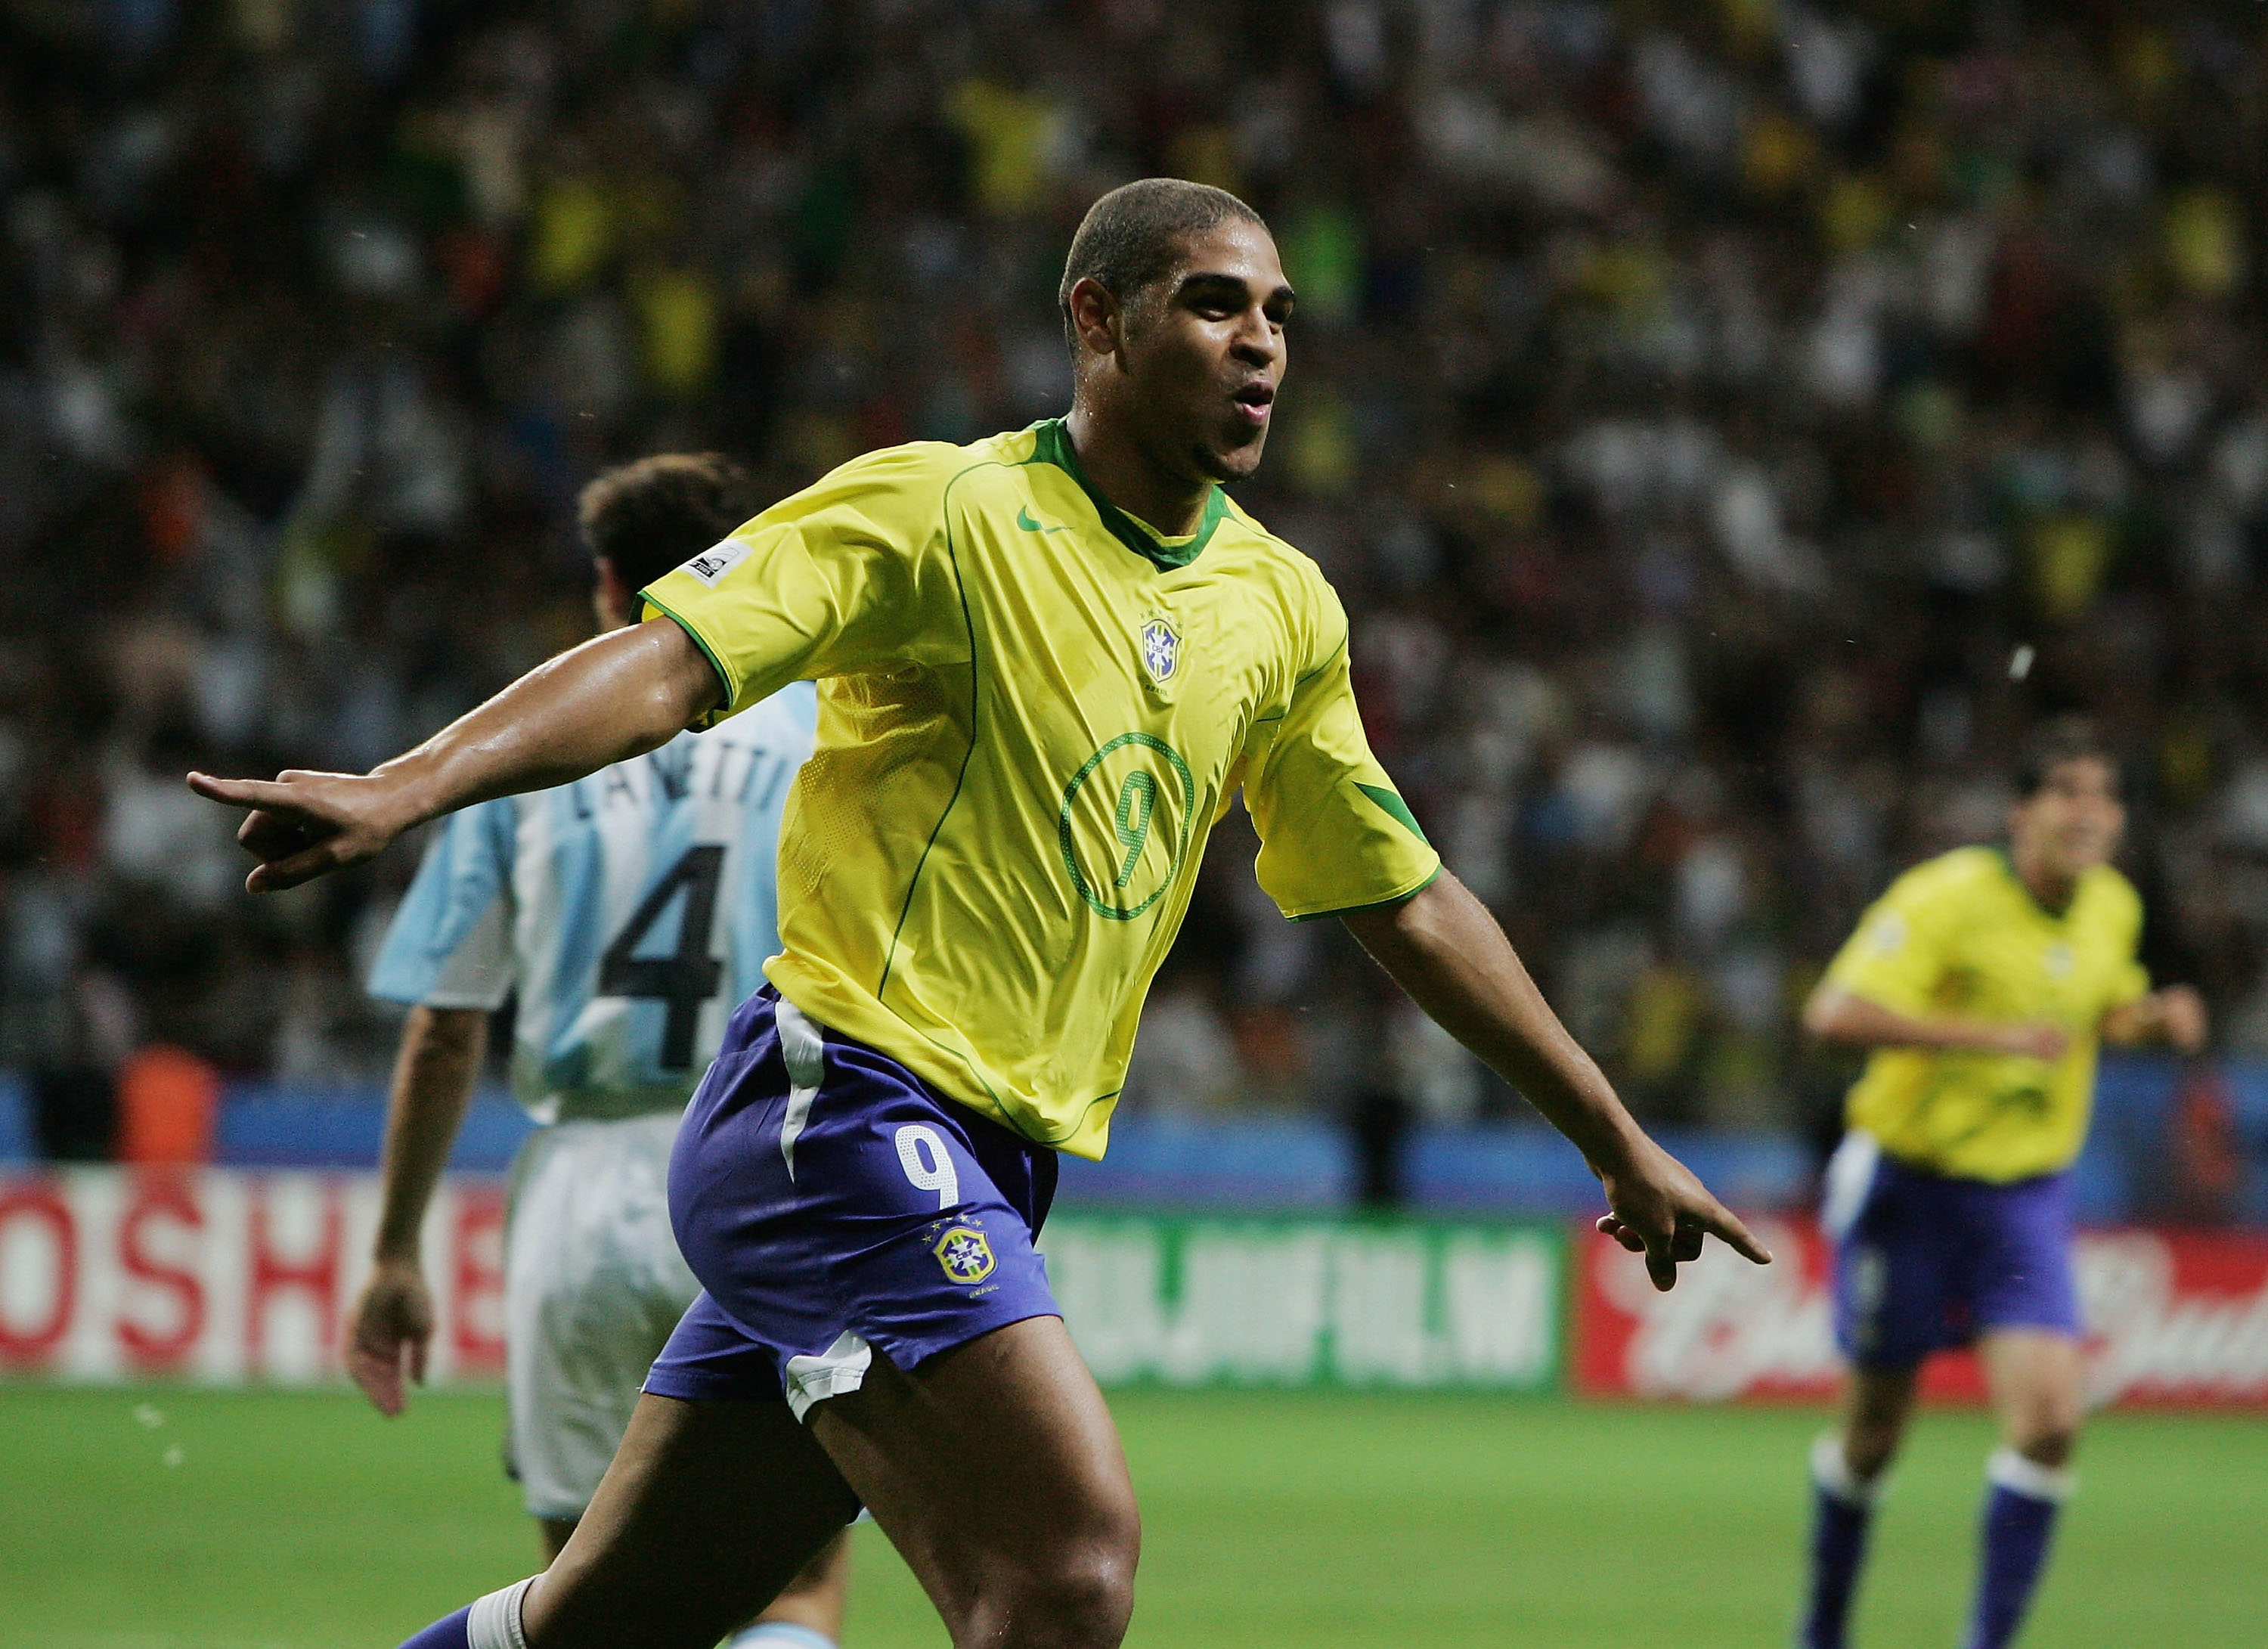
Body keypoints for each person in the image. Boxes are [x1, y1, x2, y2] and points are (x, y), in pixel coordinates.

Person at [191, 178, 1768, 1649]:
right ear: (1098, 319)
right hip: (845, 1105)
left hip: (989, 1155)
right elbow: (674, 663)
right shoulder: (943, 513)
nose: (1262, 346)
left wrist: (1609, 1132)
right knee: (1067, 1566)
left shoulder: (1281, 609)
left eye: (1279, 314)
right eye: (1216, 305)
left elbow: (1402, 897)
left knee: (604, 1618)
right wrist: (408, 784)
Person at [343, 453, 849, 1649]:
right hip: (762, 1162)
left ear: (611, 585)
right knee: (795, 1579)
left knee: (580, 1599)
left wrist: (397, 1246)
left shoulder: (528, 751)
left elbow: (446, 1022)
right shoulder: (821, 732)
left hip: (576, 1198)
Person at [1794, 716, 2208, 1649]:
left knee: (2053, 1423)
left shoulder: (2113, 907)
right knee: (1872, 1440)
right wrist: (1991, 1036)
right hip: (1909, 1184)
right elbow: (1832, 1015)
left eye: (2106, 795)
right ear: (2020, 812)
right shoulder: (1946, 896)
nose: (2090, 811)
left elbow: (2092, 1010)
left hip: (2022, 1198)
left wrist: (2152, 1018)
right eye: (2067, 790)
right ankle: (1820, 1632)